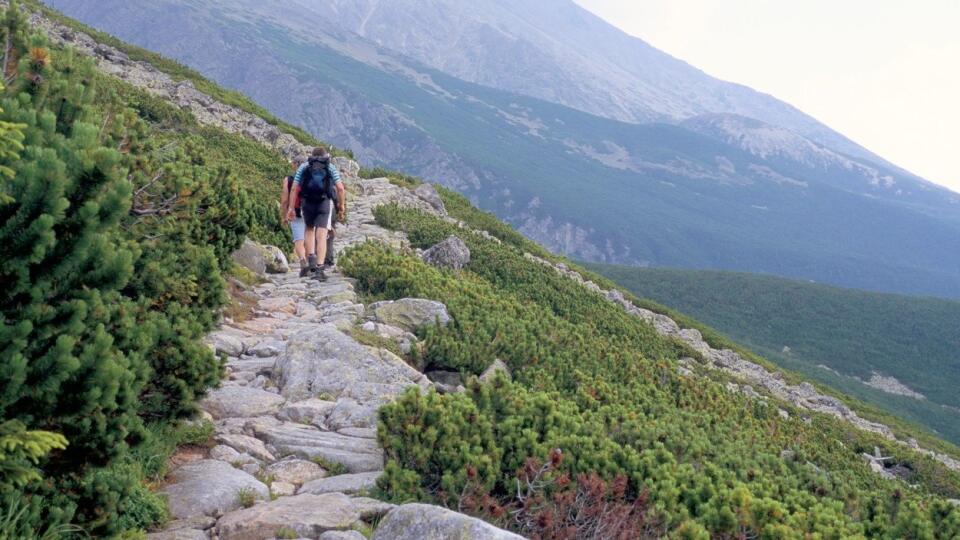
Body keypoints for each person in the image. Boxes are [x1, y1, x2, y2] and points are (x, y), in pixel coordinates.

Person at [287, 145, 346, 280]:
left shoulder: (304, 166)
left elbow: (295, 188)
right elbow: (341, 189)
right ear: (325, 156)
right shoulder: (329, 167)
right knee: (321, 234)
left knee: (309, 230)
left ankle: (311, 262)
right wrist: (341, 205)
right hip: (323, 202)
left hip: (307, 203)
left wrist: (291, 208)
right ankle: (320, 268)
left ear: (312, 156)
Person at [281, 157, 307, 271]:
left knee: (298, 239)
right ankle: (312, 259)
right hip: (311, 211)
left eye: (293, 163)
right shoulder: (311, 178)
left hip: (295, 212)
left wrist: (284, 214)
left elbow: (284, 200)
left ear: (296, 164)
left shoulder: (289, 179)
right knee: (310, 235)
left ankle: (302, 259)